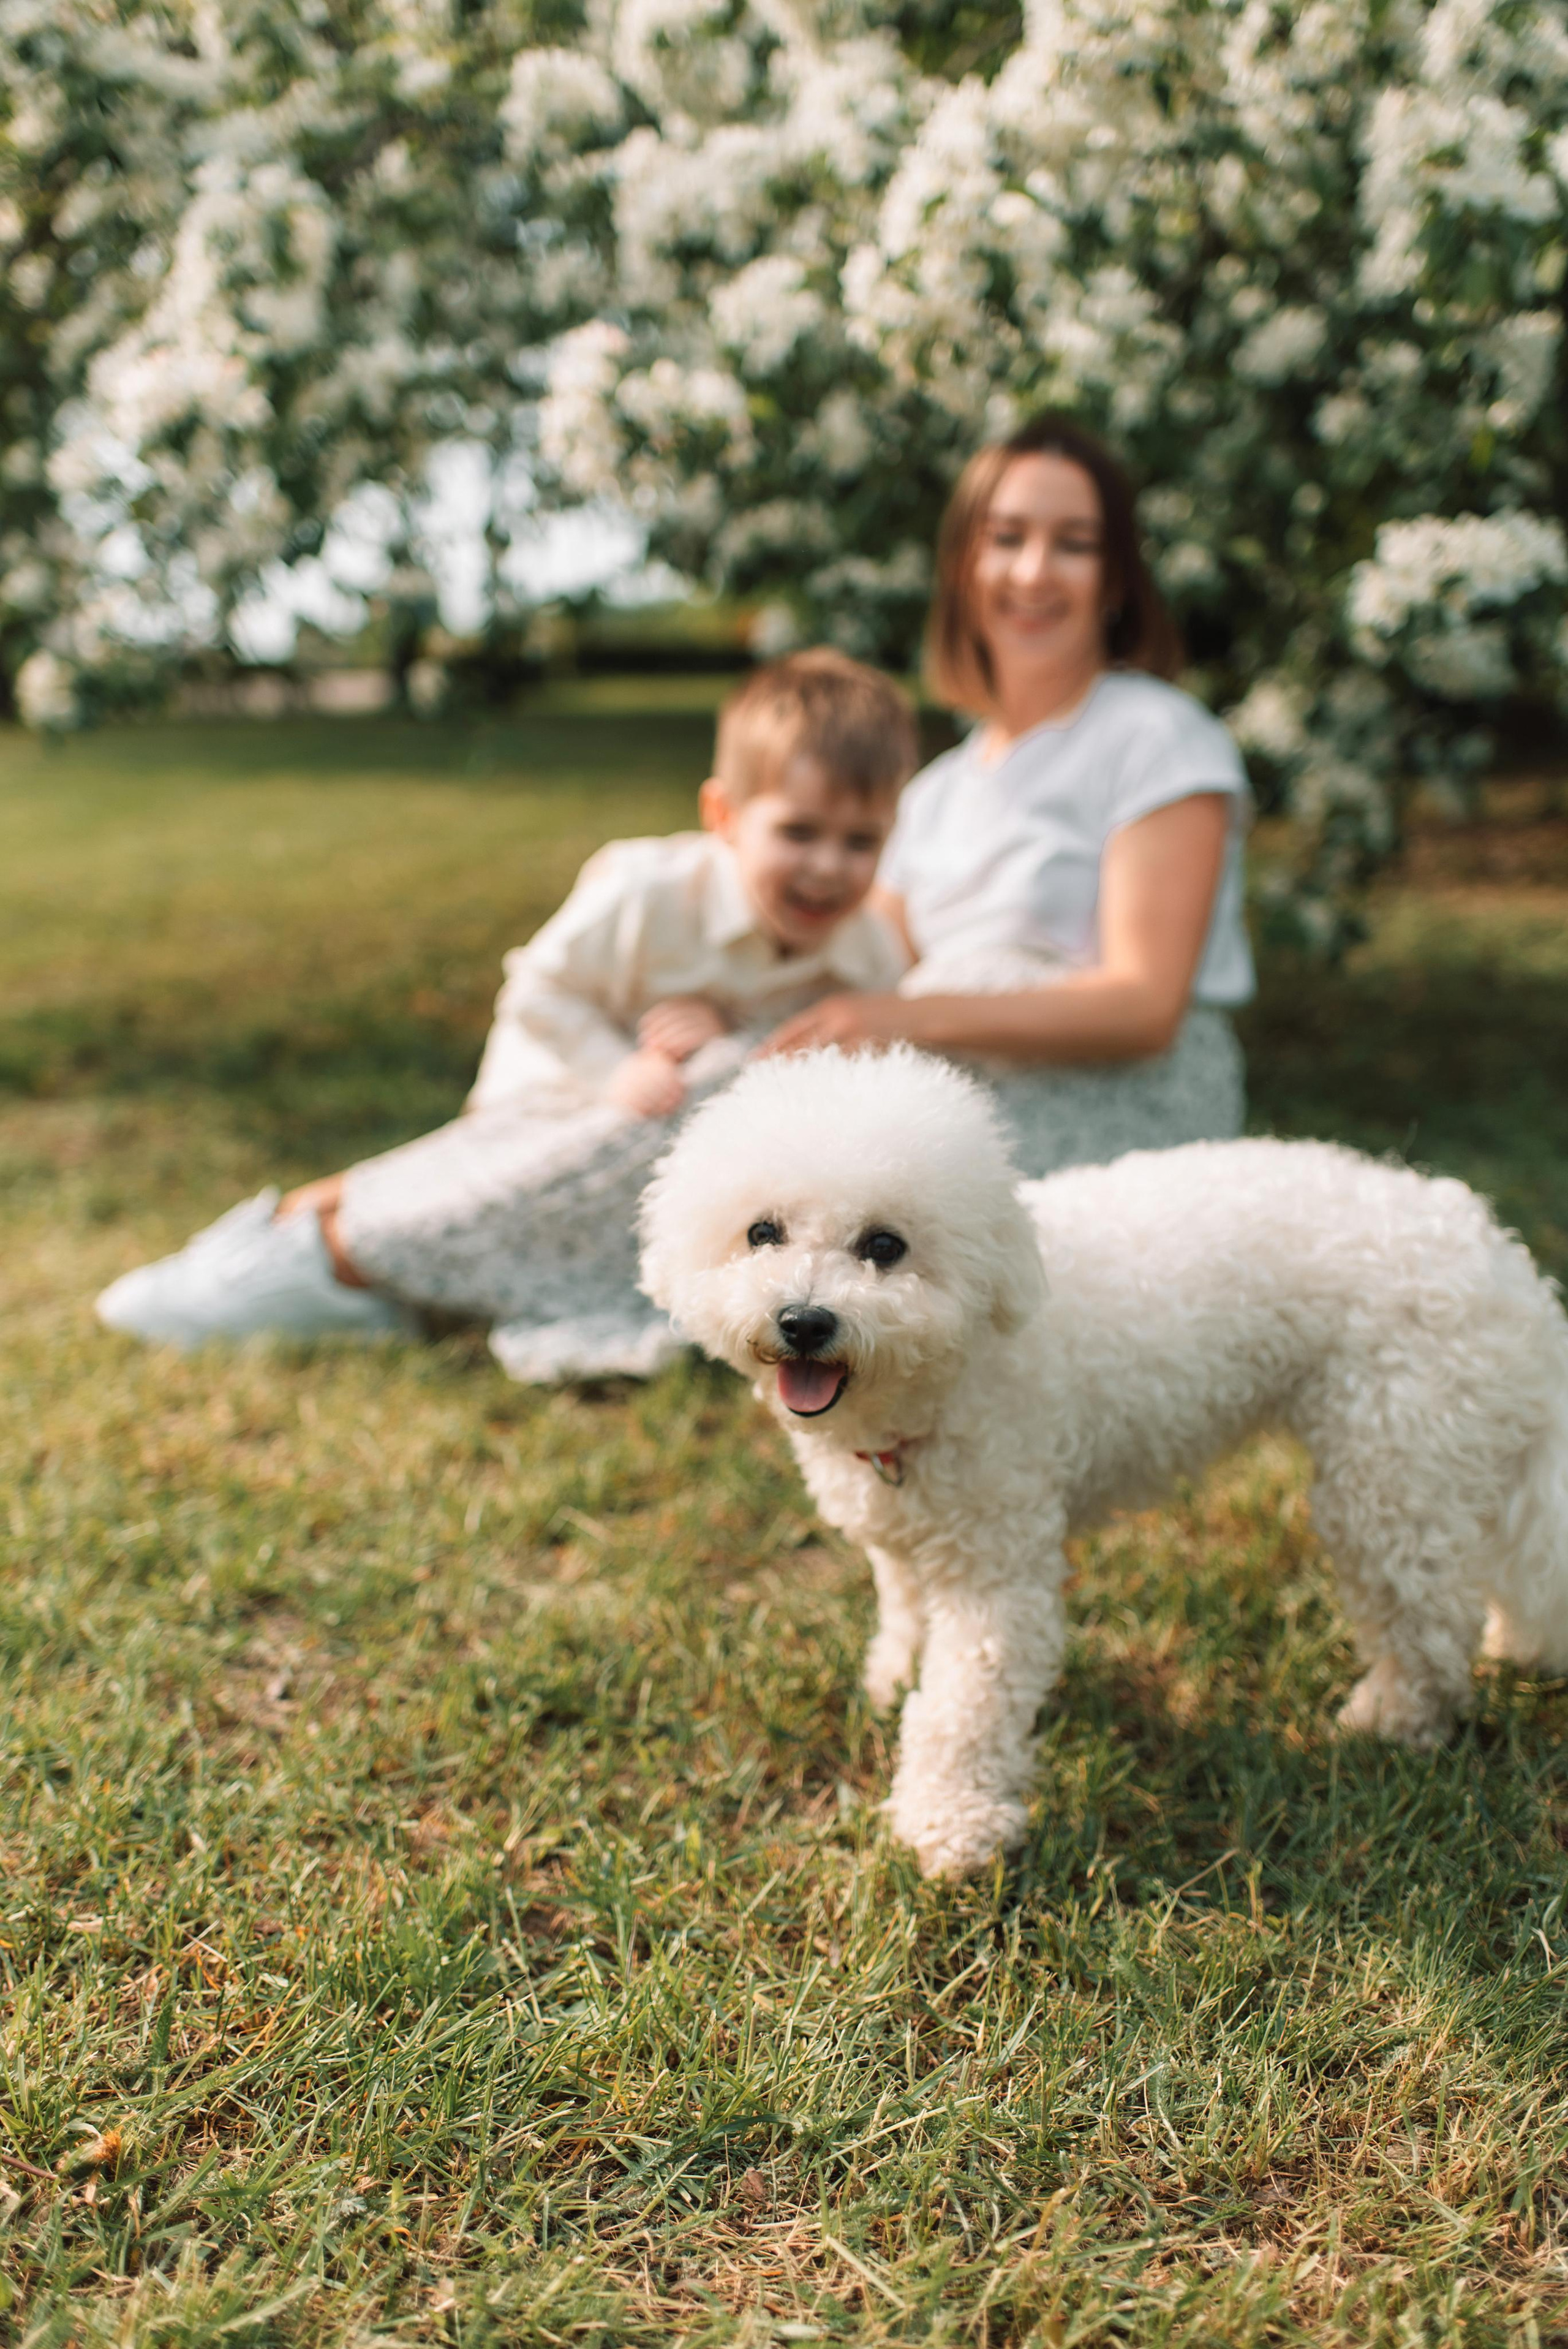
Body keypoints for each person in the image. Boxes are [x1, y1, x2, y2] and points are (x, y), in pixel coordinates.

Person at [95, 651, 916, 1377]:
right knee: (437, 1178)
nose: (827, 868)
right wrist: (617, 1067)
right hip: (560, 1073)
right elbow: (537, 990)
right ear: (724, 816)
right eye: (799, 831)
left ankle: (375, 1278)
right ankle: (279, 1241)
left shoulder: (865, 950)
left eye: (859, 842)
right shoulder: (648, 891)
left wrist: (716, 1033)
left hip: (661, 1116)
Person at [762, 414, 1255, 1177]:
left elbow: (1145, 1006)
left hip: (1122, 1101)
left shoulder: (1156, 737)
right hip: (953, 1084)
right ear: (963, 566)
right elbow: (862, 968)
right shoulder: (936, 792)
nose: (1034, 572)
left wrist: (907, 1020)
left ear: (1115, 578)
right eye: (1006, 538)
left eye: (1074, 544)